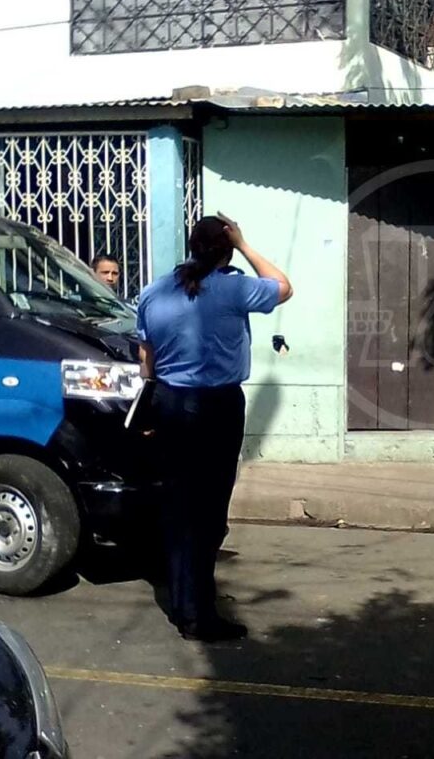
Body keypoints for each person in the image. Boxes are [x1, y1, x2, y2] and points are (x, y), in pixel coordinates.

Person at [136, 213, 293, 642]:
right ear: (224, 248)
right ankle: (197, 614)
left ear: (191, 246)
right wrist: (244, 244)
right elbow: (284, 286)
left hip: (168, 403)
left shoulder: (152, 293)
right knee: (208, 512)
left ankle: (184, 598)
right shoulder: (234, 287)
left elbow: (146, 363)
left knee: (179, 507)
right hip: (216, 407)